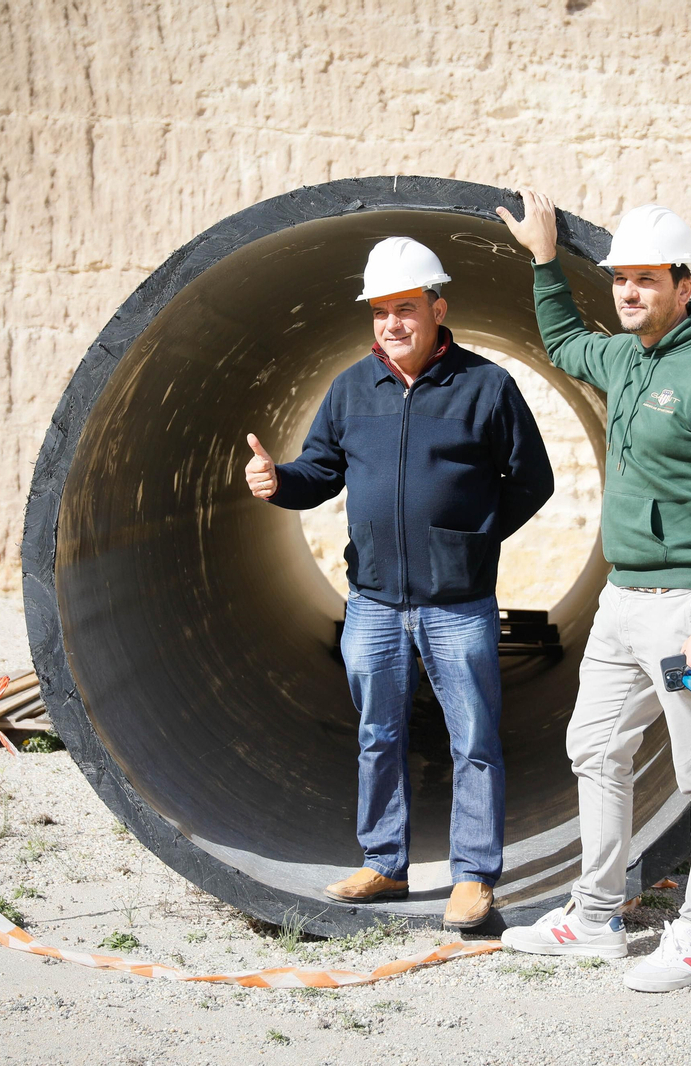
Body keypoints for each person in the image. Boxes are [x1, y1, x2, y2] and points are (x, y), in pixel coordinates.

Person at [494, 192, 691, 990]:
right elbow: (562, 342)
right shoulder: (624, 359)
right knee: (594, 748)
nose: (628, 292)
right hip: (621, 605)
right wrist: (545, 261)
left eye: (647, 279)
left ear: (685, 286)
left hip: (688, 612)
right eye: (621, 279)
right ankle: (595, 917)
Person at [243, 236, 554, 930]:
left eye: (406, 308)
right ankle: (384, 862)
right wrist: (277, 481)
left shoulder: (487, 387)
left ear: (438, 309)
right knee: (377, 735)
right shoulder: (352, 388)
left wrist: (472, 539)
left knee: (473, 740)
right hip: (374, 603)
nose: (392, 323)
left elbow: (533, 479)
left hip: (458, 604)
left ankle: (473, 877)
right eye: (380, 311)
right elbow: (319, 472)